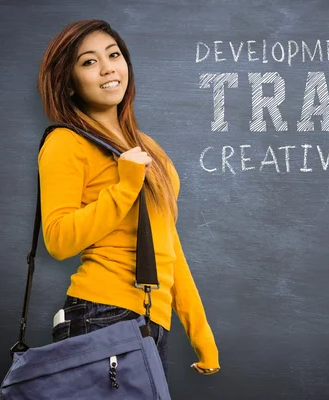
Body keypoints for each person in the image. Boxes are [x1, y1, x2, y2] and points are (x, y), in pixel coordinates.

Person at [36, 19, 220, 378]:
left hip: (153, 320)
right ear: (69, 84)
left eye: (113, 54)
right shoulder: (65, 143)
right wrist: (124, 187)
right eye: (88, 62)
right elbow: (58, 240)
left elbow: (169, 247)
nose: (107, 68)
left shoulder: (149, 150)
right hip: (100, 315)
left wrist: (202, 336)